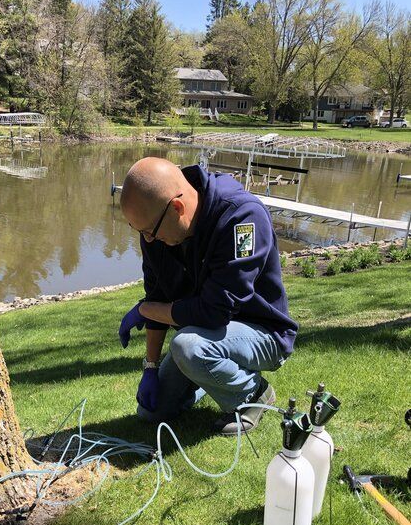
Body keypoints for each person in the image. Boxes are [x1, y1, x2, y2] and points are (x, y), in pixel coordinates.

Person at [118, 157, 297, 434]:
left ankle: (255, 393)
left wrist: (144, 310)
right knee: (152, 412)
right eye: (140, 233)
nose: (148, 240)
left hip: (264, 334)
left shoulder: (241, 217)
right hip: (206, 334)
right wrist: (150, 367)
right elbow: (156, 295)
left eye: (149, 233)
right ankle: (206, 379)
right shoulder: (157, 226)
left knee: (187, 347)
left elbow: (214, 311)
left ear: (177, 207)